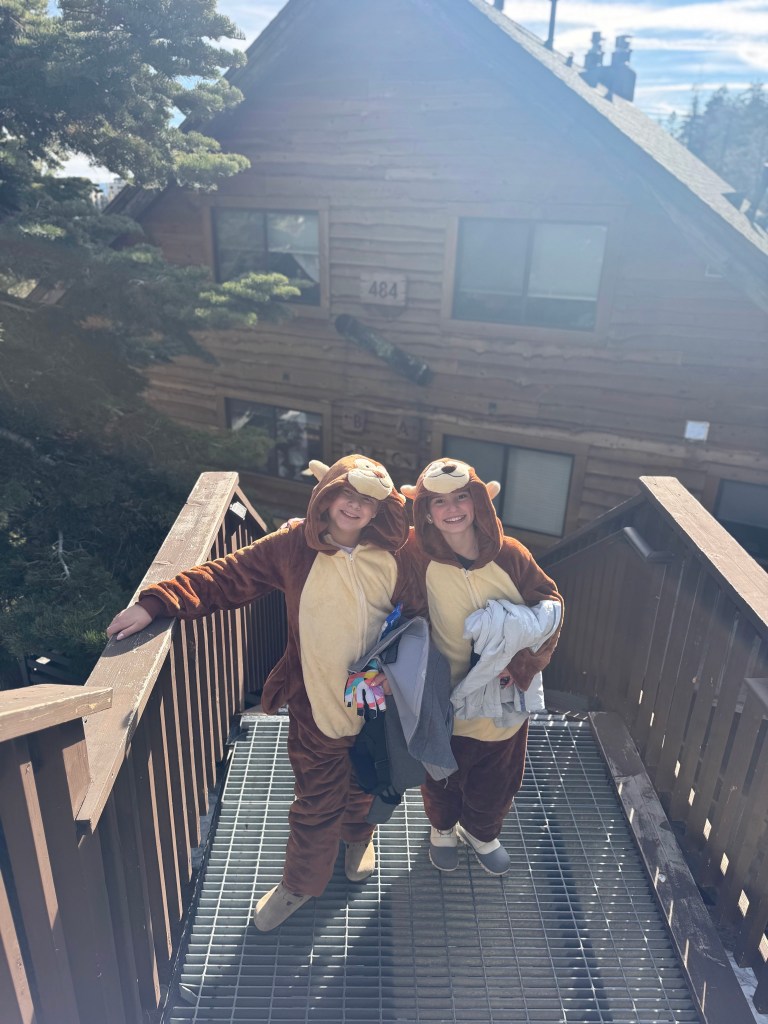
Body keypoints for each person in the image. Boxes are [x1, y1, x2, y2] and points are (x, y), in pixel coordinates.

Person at [107, 455, 424, 931]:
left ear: (382, 509)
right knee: (316, 803)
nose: (355, 507)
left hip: (378, 702)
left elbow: (419, 612)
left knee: (368, 778)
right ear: (327, 495)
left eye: (368, 501)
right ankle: (300, 884)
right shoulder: (294, 546)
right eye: (347, 493)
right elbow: (227, 576)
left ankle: (359, 836)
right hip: (316, 704)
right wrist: (158, 601)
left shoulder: (398, 552)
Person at [401, 458, 563, 875]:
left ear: (478, 501)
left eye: (461, 497)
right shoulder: (416, 554)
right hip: (444, 695)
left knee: (496, 778)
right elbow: (373, 555)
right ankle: (441, 829)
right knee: (441, 774)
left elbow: (551, 606)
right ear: (424, 511)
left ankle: (482, 832)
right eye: (438, 502)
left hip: (502, 697)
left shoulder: (511, 554)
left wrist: (524, 663)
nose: (452, 509)